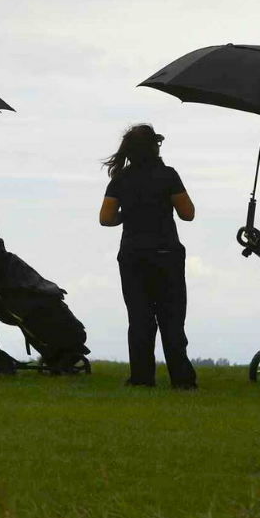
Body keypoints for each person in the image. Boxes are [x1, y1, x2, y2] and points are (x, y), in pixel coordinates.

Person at [99, 124, 198, 389]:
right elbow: (188, 213)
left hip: (132, 255)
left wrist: (127, 216)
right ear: (154, 147)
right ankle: (182, 379)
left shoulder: (120, 179)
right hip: (167, 253)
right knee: (172, 318)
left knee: (140, 319)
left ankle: (141, 378)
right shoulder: (168, 175)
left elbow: (105, 218)